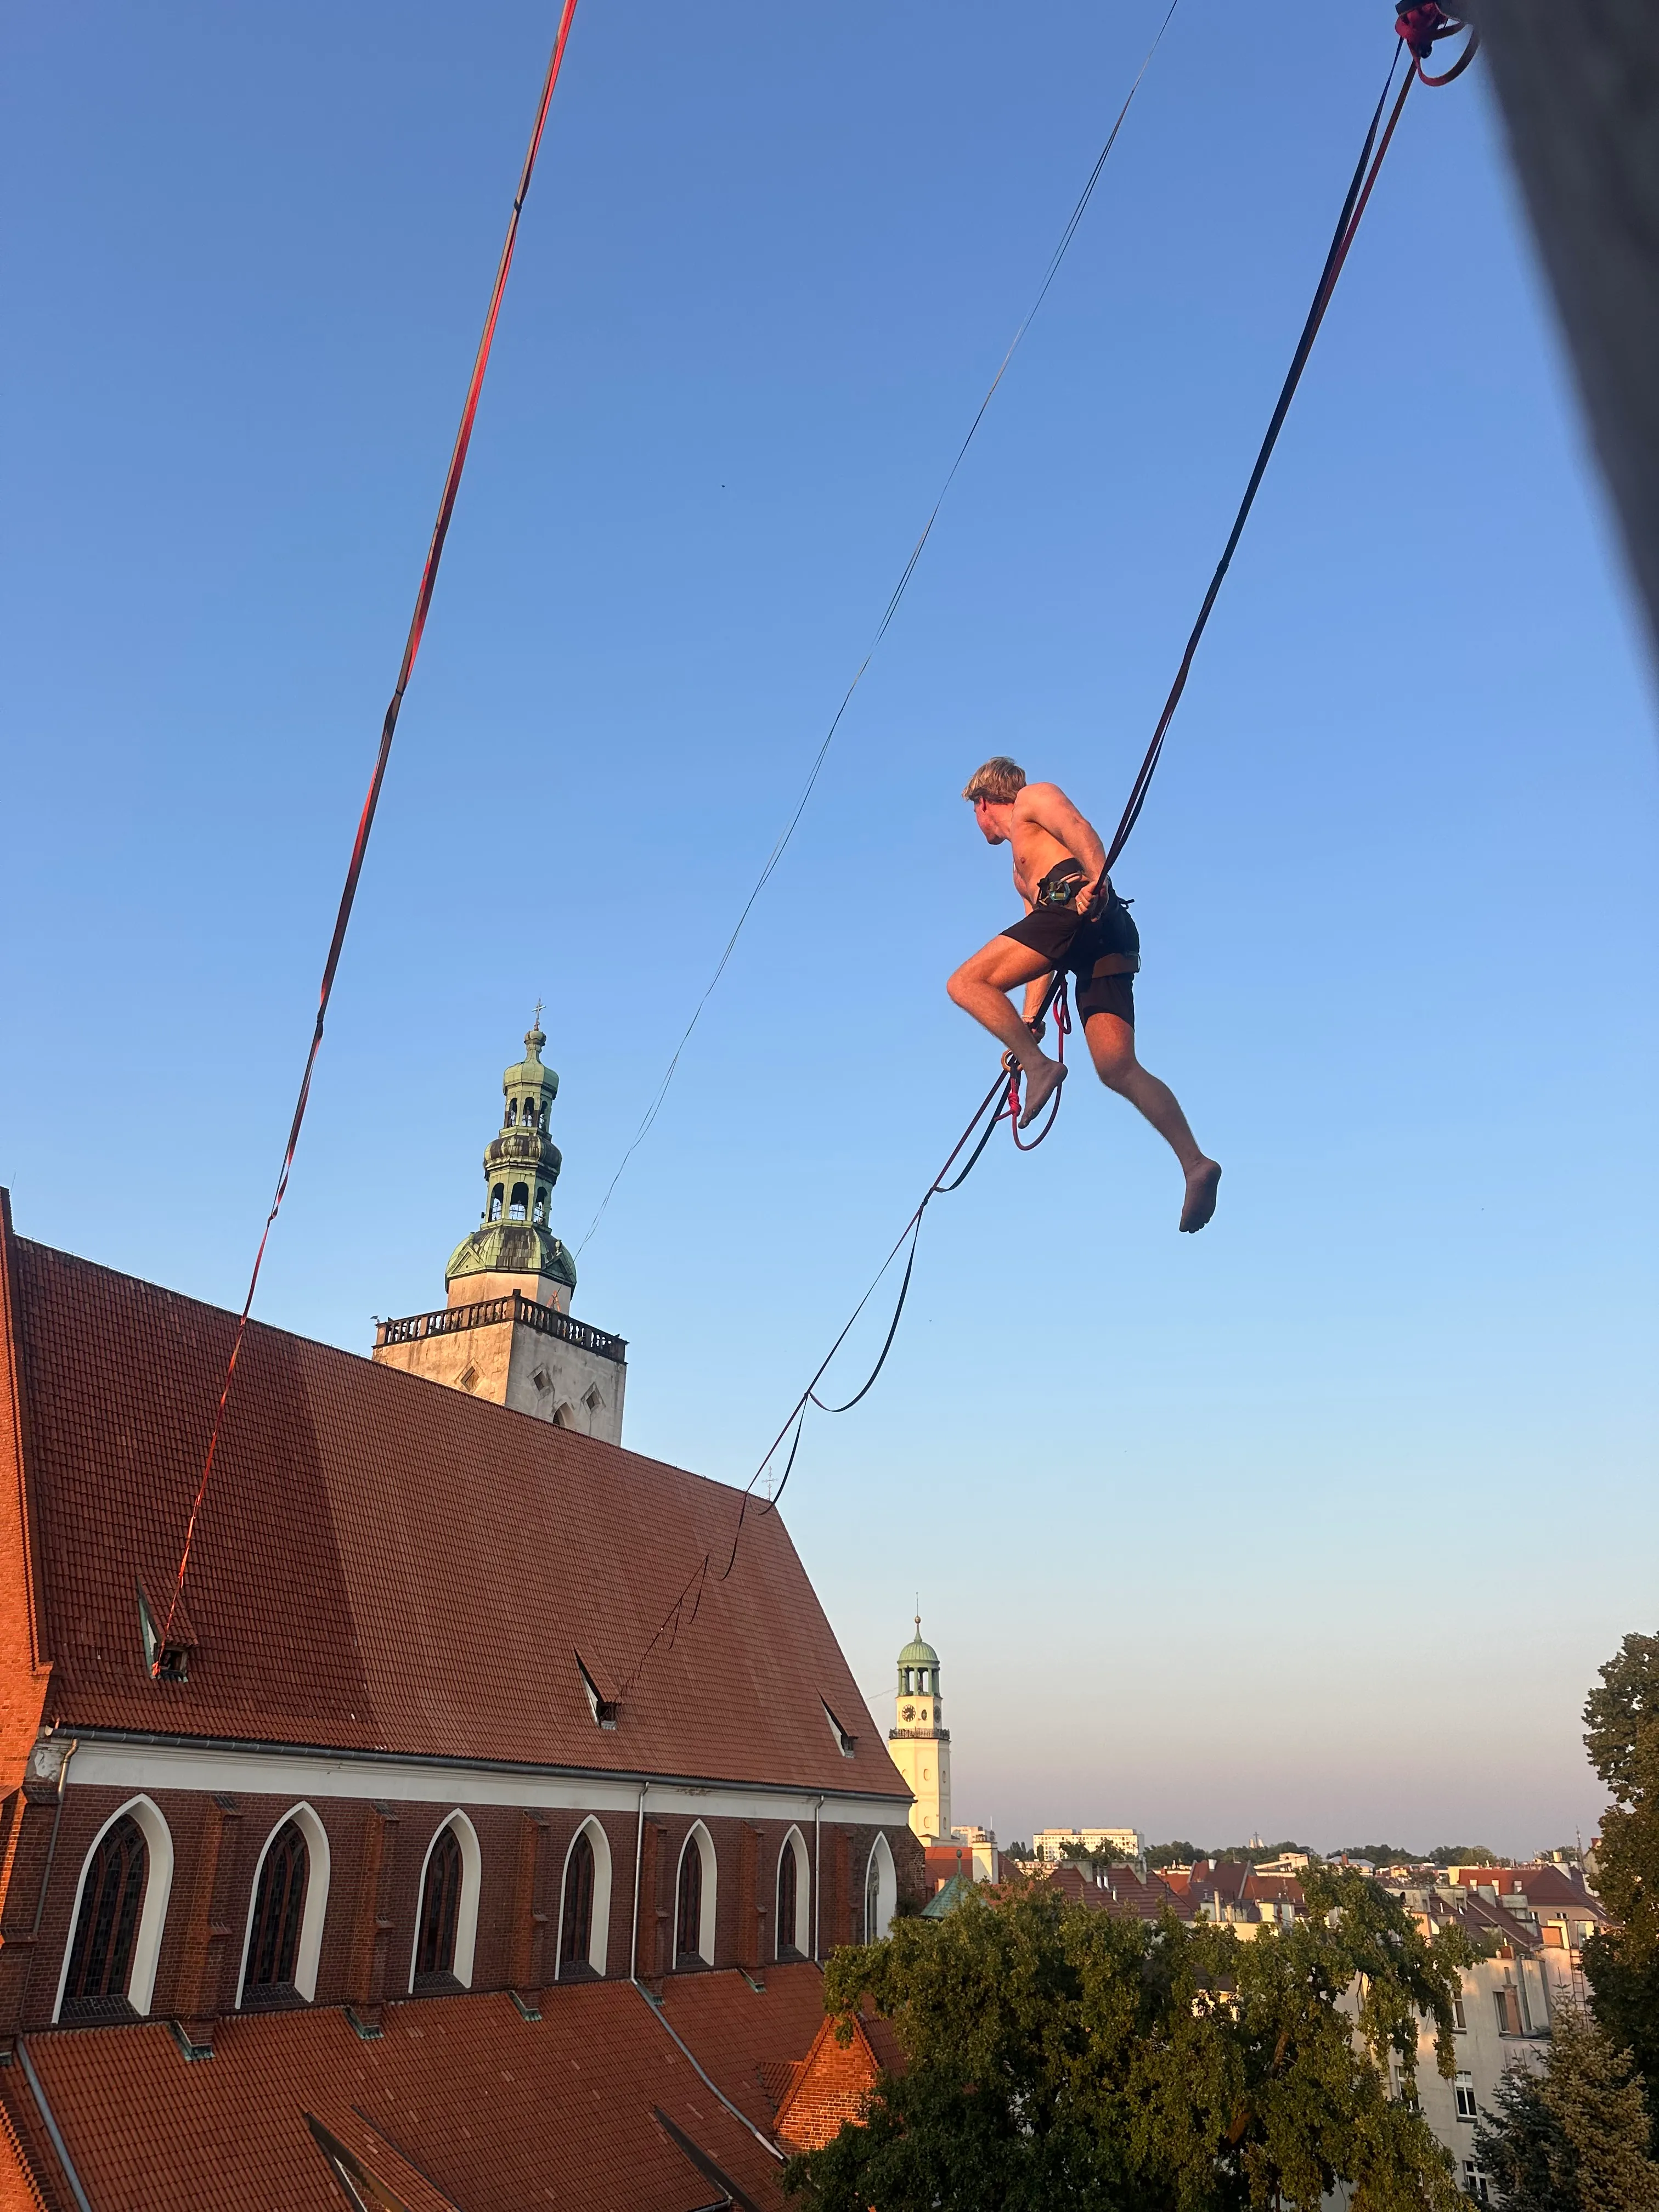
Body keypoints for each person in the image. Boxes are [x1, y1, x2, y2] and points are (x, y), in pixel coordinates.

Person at [946, 755, 1221, 1234]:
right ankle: (1195, 1163)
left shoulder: (1033, 799)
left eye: (974, 812)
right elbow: (1040, 946)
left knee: (966, 983)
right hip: (1095, 938)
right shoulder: (1019, 871)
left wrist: (1100, 884)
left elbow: (1079, 826)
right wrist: (1030, 1021)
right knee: (1117, 1068)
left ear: (984, 802)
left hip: (1080, 906)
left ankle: (1040, 1068)